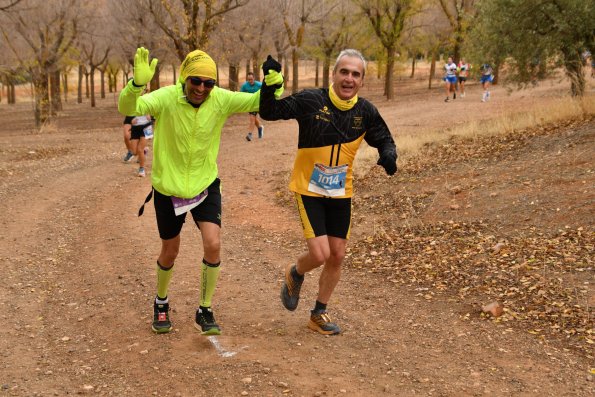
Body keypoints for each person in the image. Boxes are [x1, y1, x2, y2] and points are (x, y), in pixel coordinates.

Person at [118, 47, 262, 335]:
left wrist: (273, 85)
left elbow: (259, 100)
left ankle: (204, 309)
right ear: (184, 78)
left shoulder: (220, 100)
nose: (201, 88)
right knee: (170, 250)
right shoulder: (167, 97)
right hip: (169, 189)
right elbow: (129, 109)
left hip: (205, 185)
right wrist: (135, 85)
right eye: (196, 81)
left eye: (209, 83)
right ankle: (161, 302)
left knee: (213, 244)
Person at [258, 50, 397, 335]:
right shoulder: (311, 100)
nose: (349, 79)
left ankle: (318, 314)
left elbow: (383, 137)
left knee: (337, 255)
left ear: (362, 80)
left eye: (355, 74)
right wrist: (270, 85)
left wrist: (389, 154)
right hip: (308, 188)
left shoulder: (365, 112)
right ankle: (296, 272)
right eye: (344, 72)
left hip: (340, 193)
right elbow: (269, 112)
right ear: (333, 74)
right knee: (319, 255)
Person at [240, 72, 264, 141]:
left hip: (259, 103)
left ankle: (254, 131)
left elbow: (266, 92)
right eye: (248, 79)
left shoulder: (259, 85)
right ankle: (255, 130)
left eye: (251, 79)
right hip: (251, 104)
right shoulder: (245, 86)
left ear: (254, 78)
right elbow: (241, 94)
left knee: (253, 119)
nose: (250, 81)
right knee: (252, 118)